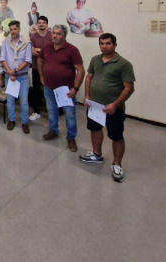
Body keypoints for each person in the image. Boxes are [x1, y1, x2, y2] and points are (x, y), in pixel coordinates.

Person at [80, 33, 135, 183]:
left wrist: (115, 104)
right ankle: (97, 155)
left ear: (115, 45)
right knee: (95, 129)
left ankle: (117, 164)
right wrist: (87, 96)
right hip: (95, 106)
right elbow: (89, 77)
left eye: (108, 43)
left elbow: (129, 88)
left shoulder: (123, 64)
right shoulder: (95, 59)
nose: (104, 46)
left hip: (113, 108)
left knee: (116, 136)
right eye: (102, 43)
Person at [38, 25, 85, 152]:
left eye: (58, 34)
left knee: (69, 114)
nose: (54, 36)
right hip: (49, 87)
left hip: (66, 89)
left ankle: (71, 137)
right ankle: (53, 131)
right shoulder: (47, 47)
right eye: (53, 33)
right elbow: (40, 60)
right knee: (52, 111)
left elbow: (80, 70)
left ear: (64, 36)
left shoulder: (72, 50)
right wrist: (41, 76)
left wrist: (75, 88)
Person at [0, 20, 33, 133]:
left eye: (15, 29)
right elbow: (3, 58)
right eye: (11, 30)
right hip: (9, 77)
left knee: (24, 101)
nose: (13, 31)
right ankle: (12, 120)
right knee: (10, 100)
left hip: (22, 77)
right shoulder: (5, 42)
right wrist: (10, 72)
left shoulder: (26, 43)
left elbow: (28, 60)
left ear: (19, 29)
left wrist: (14, 71)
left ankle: (24, 122)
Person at [29, 16, 51, 121]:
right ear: (37, 24)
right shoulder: (33, 36)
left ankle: (51, 113)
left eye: (43, 23)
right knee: (36, 91)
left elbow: (53, 51)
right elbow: (31, 51)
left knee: (49, 91)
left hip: (49, 68)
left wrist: (39, 50)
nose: (41, 24)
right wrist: (44, 52)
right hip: (36, 67)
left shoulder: (51, 35)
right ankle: (36, 112)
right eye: (39, 23)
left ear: (47, 24)